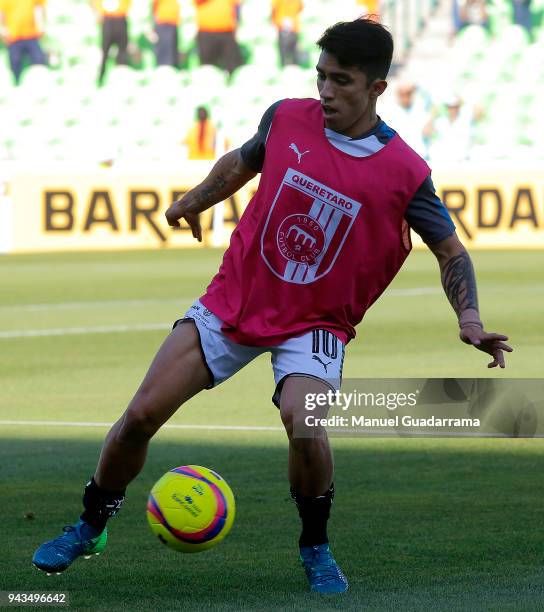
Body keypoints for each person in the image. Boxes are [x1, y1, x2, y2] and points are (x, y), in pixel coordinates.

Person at [32, 18, 512, 594]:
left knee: (305, 422)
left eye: (341, 81)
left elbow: (450, 250)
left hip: (314, 323)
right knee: (138, 416)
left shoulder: (405, 172)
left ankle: (315, 546)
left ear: (377, 87)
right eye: (321, 76)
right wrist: (193, 199)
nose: (326, 91)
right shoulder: (286, 117)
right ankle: (89, 525)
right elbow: (242, 160)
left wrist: (470, 320)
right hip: (237, 298)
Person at [0, 0, 47, 85]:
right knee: (15, 63)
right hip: (14, 36)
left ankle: (38, 85)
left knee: (38, 61)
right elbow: (2, 12)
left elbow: (39, 7)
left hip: (32, 34)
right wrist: (3, 29)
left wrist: (41, 24)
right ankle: (17, 85)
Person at [193, 0, 242, 74]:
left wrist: (236, 25)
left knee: (234, 67)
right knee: (207, 68)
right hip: (206, 31)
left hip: (226, 31)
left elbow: (236, 5)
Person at [93, 0, 132, 85]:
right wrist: (98, 11)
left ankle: (122, 81)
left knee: (122, 53)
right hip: (107, 18)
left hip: (121, 17)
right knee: (105, 52)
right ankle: (101, 80)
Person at [271, 0, 303, 67]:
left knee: (293, 55)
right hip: (283, 27)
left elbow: (300, 7)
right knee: (286, 56)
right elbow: (274, 9)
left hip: (292, 28)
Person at [152, 0, 181, 67]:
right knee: (164, 49)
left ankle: (171, 66)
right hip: (163, 21)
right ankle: (164, 67)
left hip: (173, 21)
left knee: (172, 49)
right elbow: (154, 6)